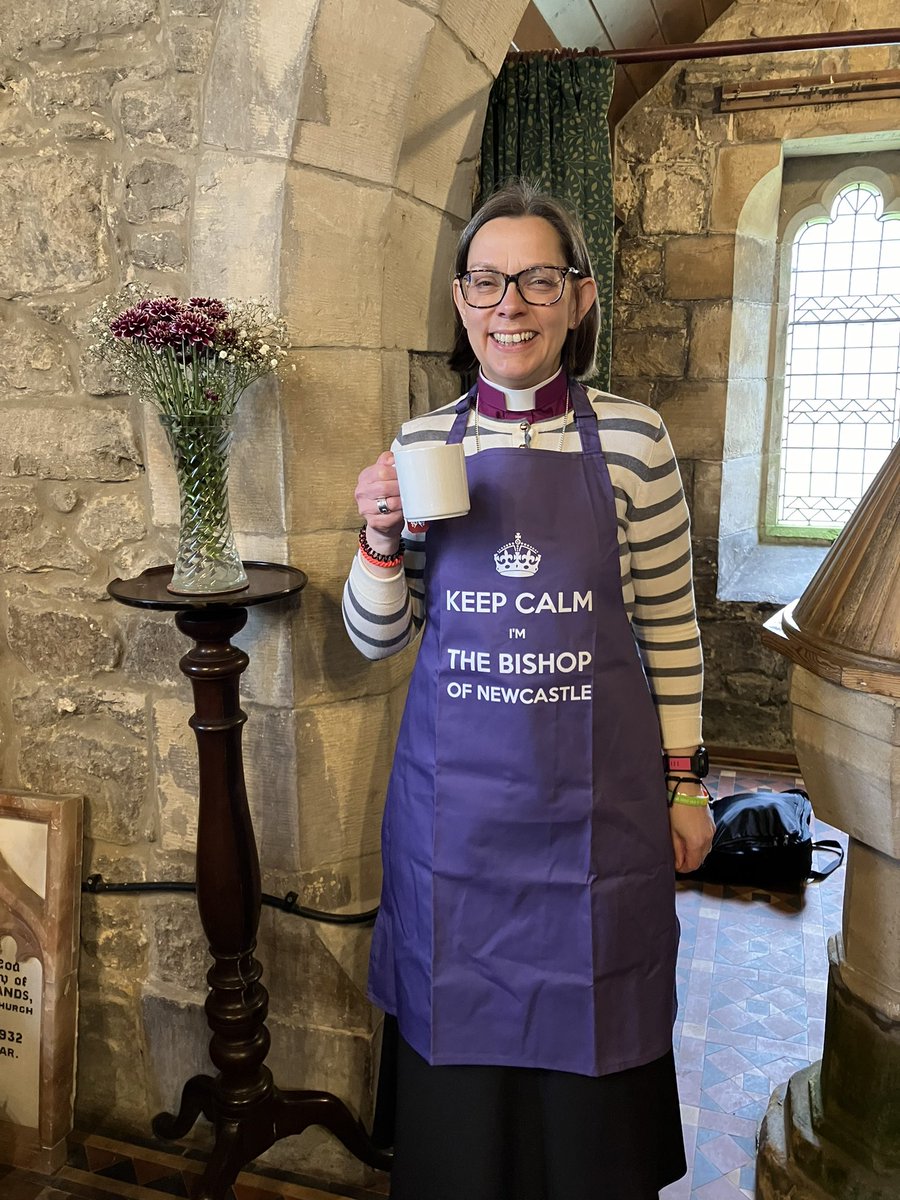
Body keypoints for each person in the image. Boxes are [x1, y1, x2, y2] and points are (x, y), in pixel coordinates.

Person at [343, 179, 714, 1200]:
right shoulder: (425, 447)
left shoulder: (634, 442)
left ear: (578, 297)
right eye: (488, 281)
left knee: (591, 1077)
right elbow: (380, 639)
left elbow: (672, 626)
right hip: (455, 827)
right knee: (462, 1102)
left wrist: (687, 782)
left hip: (593, 815)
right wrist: (376, 539)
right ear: (462, 303)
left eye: (538, 279)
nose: (512, 303)